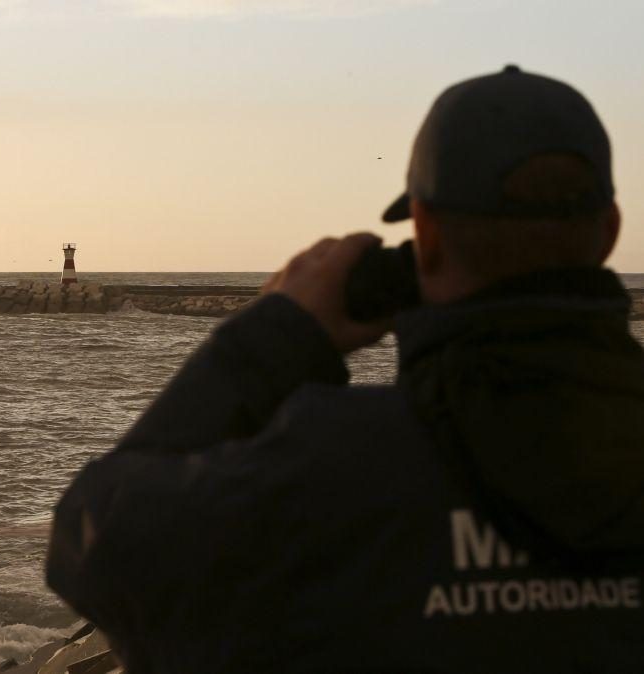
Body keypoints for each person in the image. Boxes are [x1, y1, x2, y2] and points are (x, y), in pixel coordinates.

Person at [45, 65, 644, 673]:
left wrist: (275, 335)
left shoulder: (331, 464)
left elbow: (93, 542)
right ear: (610, 232)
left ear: (426, 236)